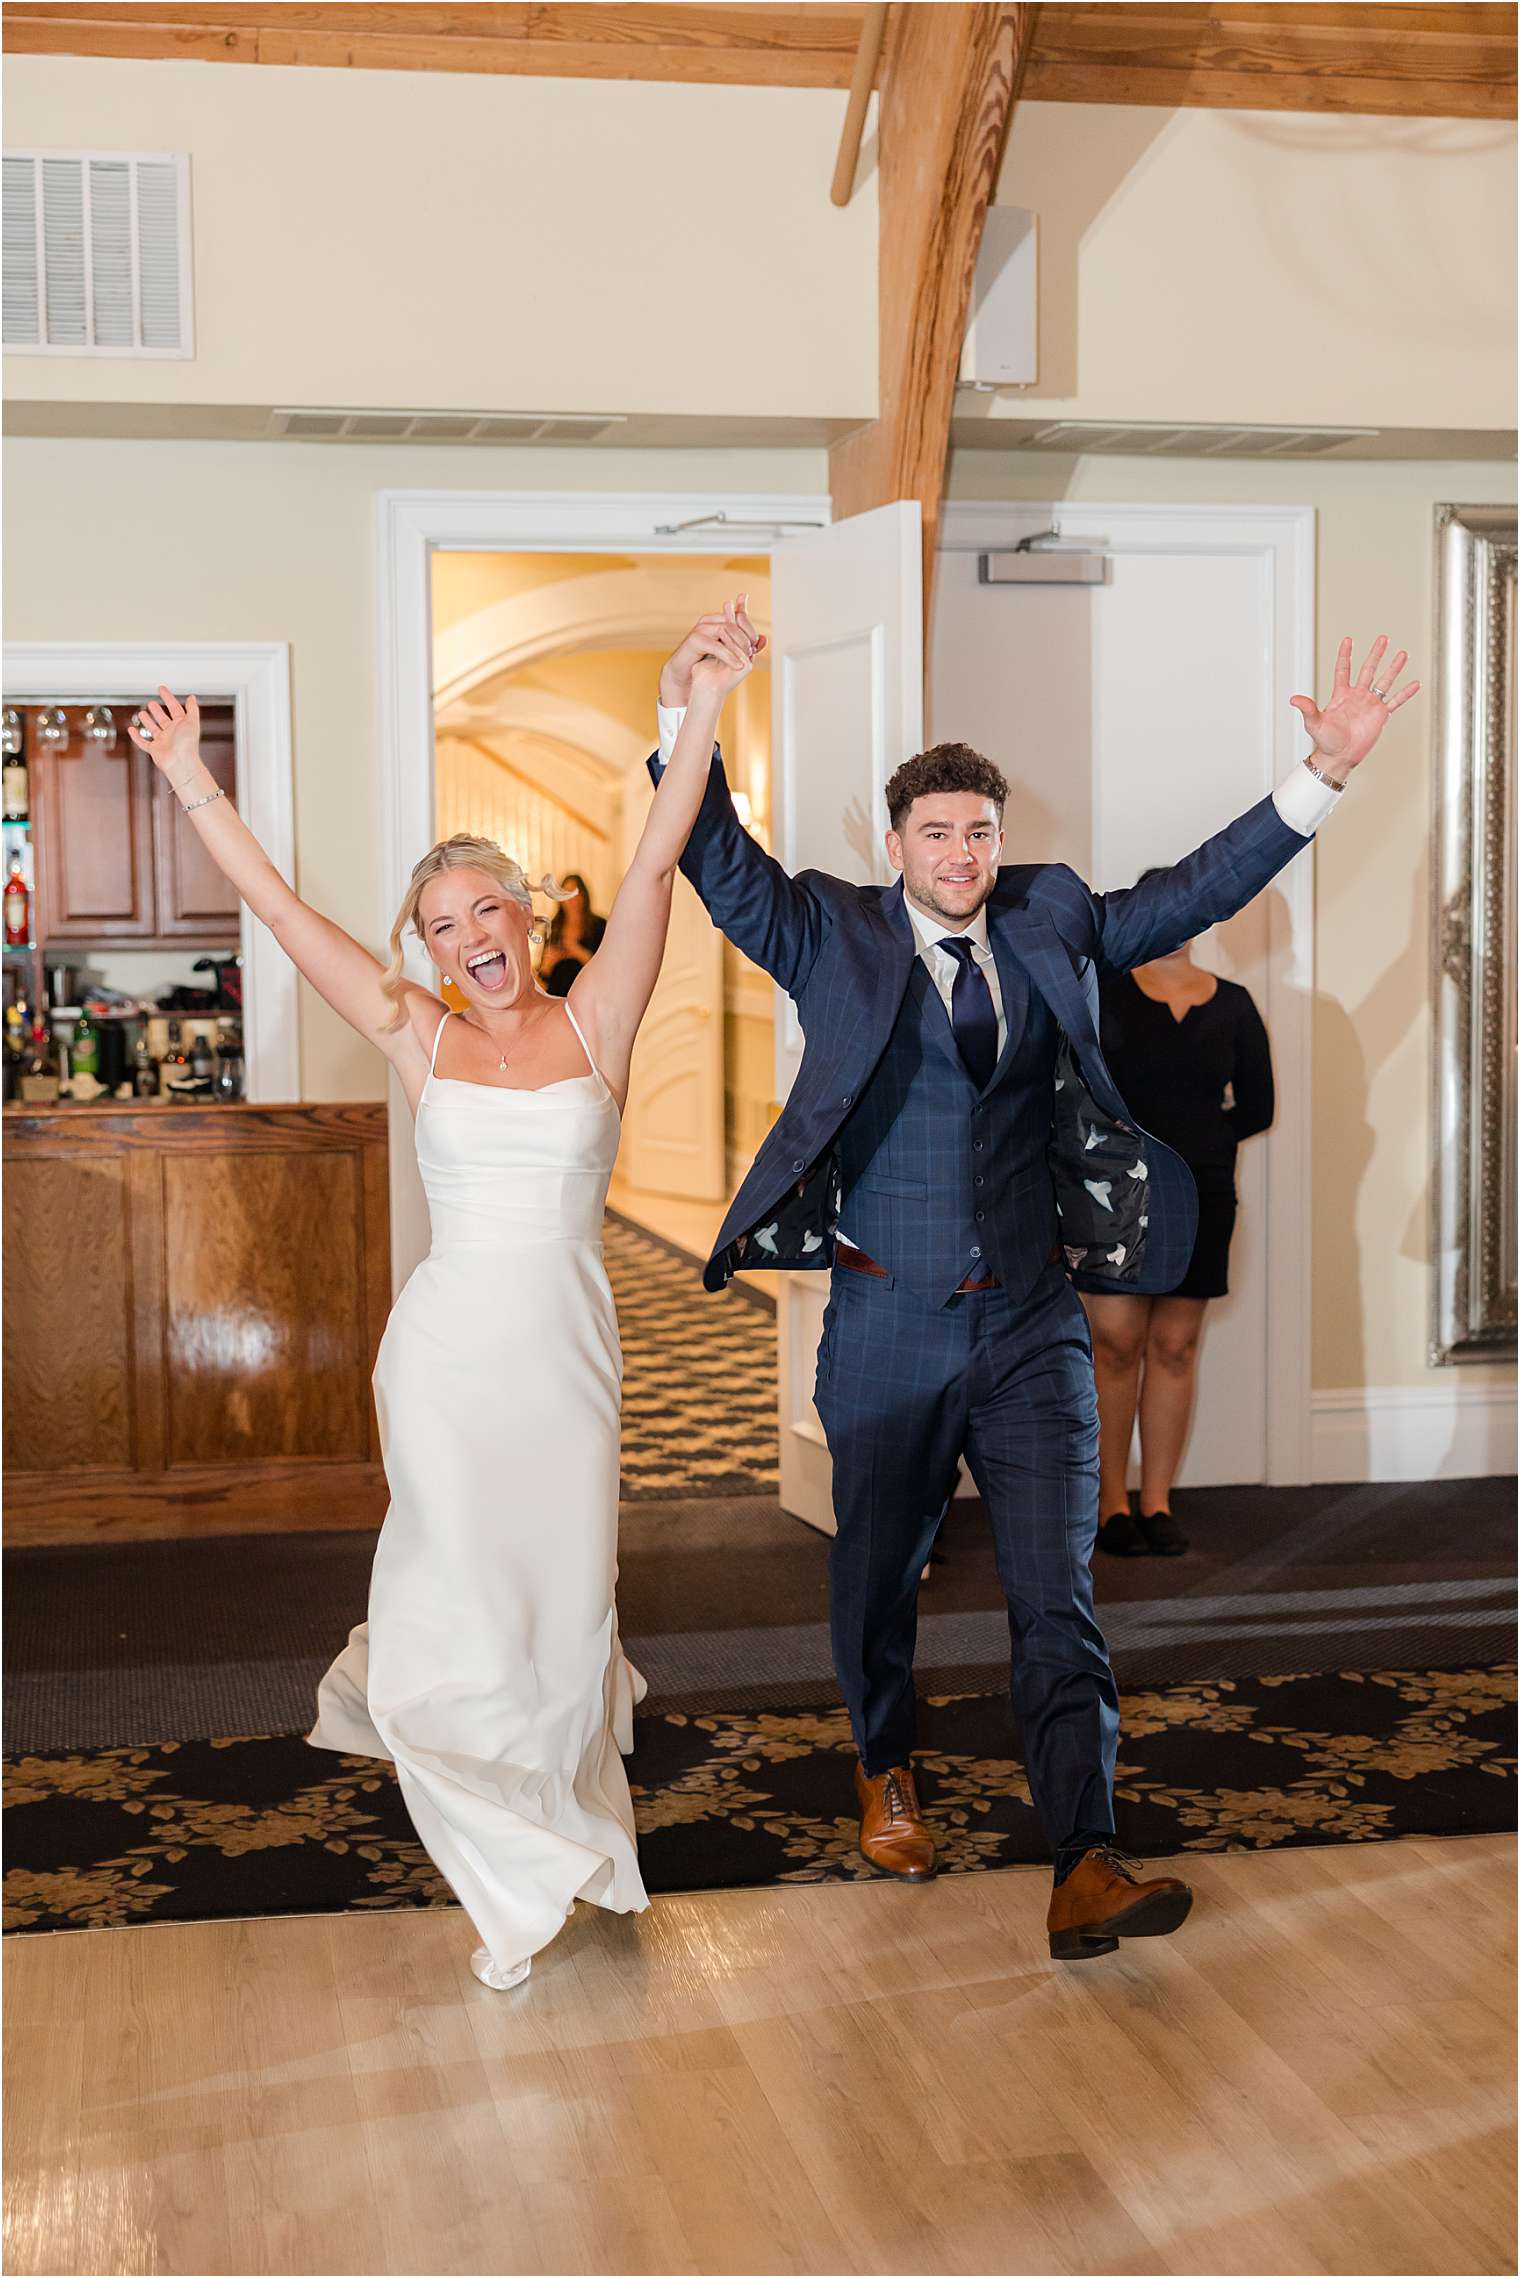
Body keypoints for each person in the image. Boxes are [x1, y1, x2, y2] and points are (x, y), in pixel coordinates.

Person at [652, 624, 1417, 1961]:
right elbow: (714, 857)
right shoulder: (829, 928)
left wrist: (1323, 774)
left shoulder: (1049, 917)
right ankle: (884, 1763)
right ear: (896, 841)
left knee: (1057, 1593)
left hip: (1029, 1326)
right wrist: (690, 713)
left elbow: (1186, 890)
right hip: (885, 1321)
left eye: (979, 832)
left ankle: (1085, 1857)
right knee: (876, 1575)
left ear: (1000, 840)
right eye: (937, 832)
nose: (961, 854)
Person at [124, 595, 761, 1992]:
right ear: (422, 950)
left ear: (526, 915)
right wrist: (186, 775)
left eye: (485, 906)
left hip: (569, 1359)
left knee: (562, 1600)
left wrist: (699, 704)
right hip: (447, 1360)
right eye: (438, 923)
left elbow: (657, 860)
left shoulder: (597, 1019)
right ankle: (511, 1873)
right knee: (457, 1595)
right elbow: (281, 912)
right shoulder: (417, 1033)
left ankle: (563, 1800)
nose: (467, 933)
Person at [1084, 917, 1275, 1557]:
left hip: (1203, 1194)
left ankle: (1157, 1502)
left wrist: (1204, 1144)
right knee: (1115, 1344)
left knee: (1175, 1347)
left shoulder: (1234, 1005)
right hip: (1116, 1194)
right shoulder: (1105, 995)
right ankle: (1111, 1504)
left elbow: (1259, 1107)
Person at [540, 872, 605, 998]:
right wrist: (547, 966)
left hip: (588, 995)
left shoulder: (599, 925)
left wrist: (577, 951)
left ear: (584, 896)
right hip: (557, 996)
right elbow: (543, 977)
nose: (572, 900)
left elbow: (606, 970)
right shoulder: (552, 927)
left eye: (575, 893)